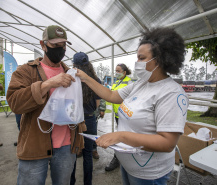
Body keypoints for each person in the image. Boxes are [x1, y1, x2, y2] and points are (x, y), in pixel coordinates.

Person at [76, 27, 188, 185]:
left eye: (142, 58)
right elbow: (112, 96)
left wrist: (120, 136)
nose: (137, 63)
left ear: (161, 59)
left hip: (148, 174)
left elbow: (167, 143)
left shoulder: (171, 93)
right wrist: (86, 78)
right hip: (129, 166)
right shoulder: (141, 84)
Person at [6, 25, 86, 185]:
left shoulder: (70, 73)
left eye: (63, 46)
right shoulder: (26, 71)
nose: (60, 49)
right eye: (55, 45)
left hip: (66, 146)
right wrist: (46, 84)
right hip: (35, 146)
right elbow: (15, 103)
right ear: (42, 44)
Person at [70, 52, 101, 185]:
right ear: (88, 64)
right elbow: (98, 105)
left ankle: (71, 182)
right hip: (89, 120)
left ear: (74, 64)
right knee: (88, 154)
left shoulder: (71, 79)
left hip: (73, 121)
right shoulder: (95, 80)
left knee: (73, 153)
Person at [105, 63, 132, 171]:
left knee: (123, 137)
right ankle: (120, 158)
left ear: (124, 72)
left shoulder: (129, 82)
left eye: (118, 71)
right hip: (118, 115)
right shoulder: (116, 82)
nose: (116, 73)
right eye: (115, 71)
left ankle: (118, 159)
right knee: (121, 137)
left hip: (126, 116)